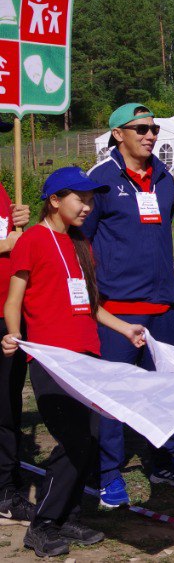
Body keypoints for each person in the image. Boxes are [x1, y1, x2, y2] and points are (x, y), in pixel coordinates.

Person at [2, 167, 148, 556]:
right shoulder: (32, 240)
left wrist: (125, 329)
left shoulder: (80, 243)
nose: (88, 206)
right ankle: (44, 524)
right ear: (54, 200)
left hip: (88, 358)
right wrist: (14, 336)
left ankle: (68, 518)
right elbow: (13, 299)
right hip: (53, 360)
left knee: (93, 437)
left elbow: (91, 305)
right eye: (80, 198)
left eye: (90, 199)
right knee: (74, 438)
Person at [84, 103, 174, 507]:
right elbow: (81, 240)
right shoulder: (98, 181)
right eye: (141, 129)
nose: (151, 135)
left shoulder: (164, 178)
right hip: (115, 309)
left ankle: (165, 460)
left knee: (164, 388)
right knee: (114, 392)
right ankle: (107, 473)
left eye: (154, 129)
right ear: (118, 134)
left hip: (162, 306)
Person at [0, 123, 31, 525]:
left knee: (8, 403)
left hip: (8, 309)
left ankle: (6, 483)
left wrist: (18, 218)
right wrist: (7, 243)